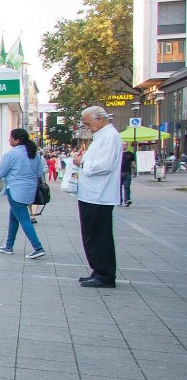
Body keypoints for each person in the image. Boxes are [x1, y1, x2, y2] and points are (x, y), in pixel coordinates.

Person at [73, 106, 122, 288]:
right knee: (92, 234)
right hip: (92, 194)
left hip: (99, 195)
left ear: (100, 119)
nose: (87, 127)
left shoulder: (109, 137)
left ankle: (104, 274)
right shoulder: (102, 136)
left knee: (98, 235)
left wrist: (82, 162)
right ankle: (99, 269)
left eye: (88, 123)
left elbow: (104, 165)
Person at [0, 127, 46, 259]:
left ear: (17, 140)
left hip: (15, 189)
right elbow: (40, 173)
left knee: (23, 218)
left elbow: (1, 172)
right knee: (14, 218)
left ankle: (37, 247)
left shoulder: (11, 154)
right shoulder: (34, 154)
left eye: (11, 138)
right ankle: (9, 245)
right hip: (29, 189)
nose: (9, 140)